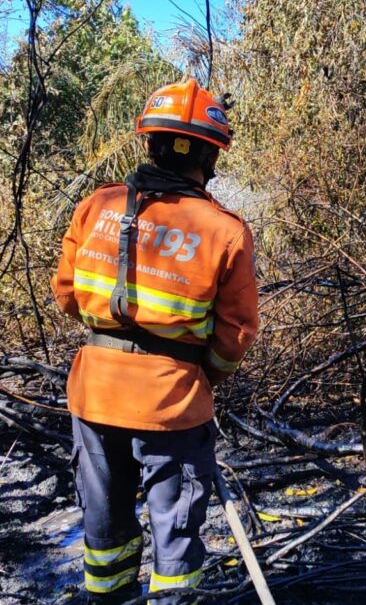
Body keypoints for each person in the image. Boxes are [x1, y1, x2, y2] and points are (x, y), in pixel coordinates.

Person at [51, 78, 260, 604]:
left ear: (150, 143)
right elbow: (236, 334)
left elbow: (66, 295)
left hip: (95, 394)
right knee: (176, 539)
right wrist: (204, 373)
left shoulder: (96, 207)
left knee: (104, 530)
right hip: (173, 404)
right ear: (210, 157)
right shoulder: (224, 230)